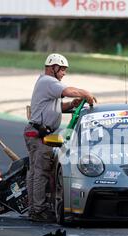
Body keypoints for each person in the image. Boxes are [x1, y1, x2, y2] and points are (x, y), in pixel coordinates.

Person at [24, 53, 97, 222]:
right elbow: (69, 90)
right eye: (62, 69)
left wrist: (71, 105)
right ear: (52, 68)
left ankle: (35, 208)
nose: (64, 73)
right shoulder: (49, 82)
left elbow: (55, 107)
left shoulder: (46, 84)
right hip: (39, 134)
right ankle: (38, 210)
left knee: (35, 172)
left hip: (38, 132)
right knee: (40, 172)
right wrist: (85, 93)